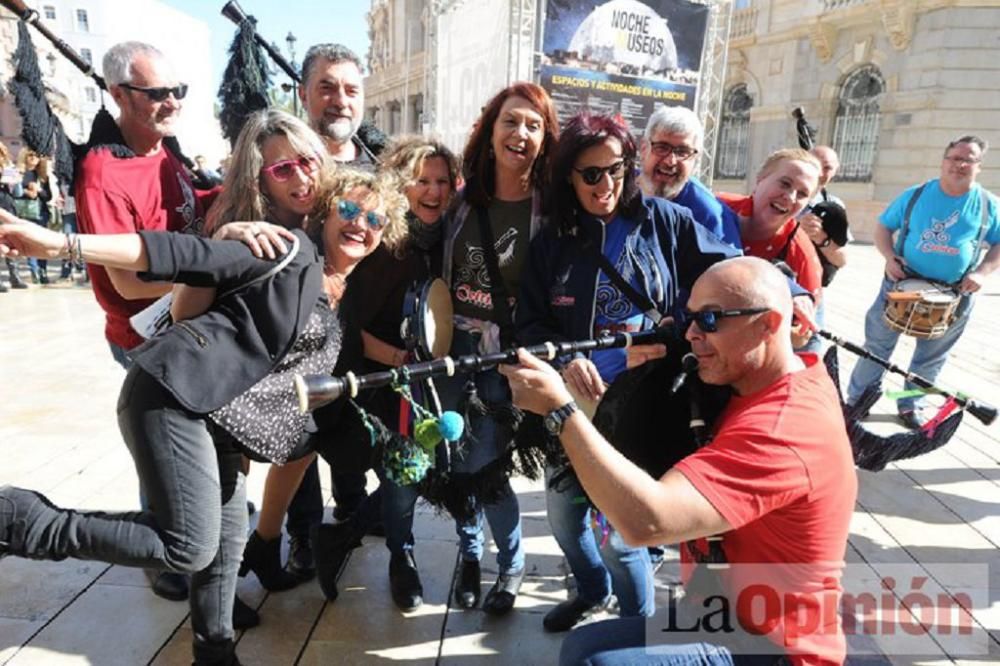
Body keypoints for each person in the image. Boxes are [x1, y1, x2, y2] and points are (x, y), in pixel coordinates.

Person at [0, 154, 404, 666]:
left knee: (227, 541)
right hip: (174, 394)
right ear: (323, 213)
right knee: (187, 546)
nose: (359, 224)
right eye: (349, 208)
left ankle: (215, 652)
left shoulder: (343, 292)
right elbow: (183, 253)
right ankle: (20, 519)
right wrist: (62, 243)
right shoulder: (289, 251)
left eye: (375, 219)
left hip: (217, 423)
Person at [500, 256, 858, 666]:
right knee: (582, 647)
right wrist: (641, 388)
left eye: (709, 320)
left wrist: (561, 412)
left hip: (775, 646)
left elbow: (647, 522)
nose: (690, 334)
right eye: (690, 318)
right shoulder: (766, 377)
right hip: (723, 613)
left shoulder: (785, 426)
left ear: (769, 324)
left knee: (596, 663)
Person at [516, 112, 739, 633]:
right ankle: (592, 590)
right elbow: (529, 321)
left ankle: (635, 627)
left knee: (623, 532)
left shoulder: (665, 220)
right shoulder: (552, 241)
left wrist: (671, 334)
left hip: (646, 404)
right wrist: (566, 358)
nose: (606, 184)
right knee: (565, 519)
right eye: (590, 174)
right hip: (577, 407)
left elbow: (730, 272)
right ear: (568, 178)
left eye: (615, 169)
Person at [73, 40, 208, 603]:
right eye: (157, 93)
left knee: (194, 445)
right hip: (143, 336)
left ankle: (194, 522)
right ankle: (164, 552)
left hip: (187, 320)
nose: (171, 102)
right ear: (119, 95)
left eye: (178, 90)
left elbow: (192, 209)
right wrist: (211, 268)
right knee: (166, 450)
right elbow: (129, 281)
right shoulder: (102, 173)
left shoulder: (165, 151)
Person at [440, 81, 559, 616]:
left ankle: (509, 564)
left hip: (503, 357)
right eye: (511, 121)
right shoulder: (461, 202)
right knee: (454, 464)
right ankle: (470, 556)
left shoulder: (551, 208)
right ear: (490, 132)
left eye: (534, 125)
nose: (521, 133)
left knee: (487, 469)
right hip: (447, 348)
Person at [347, 135, 460, 611]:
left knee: (453, 470)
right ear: (400, 184)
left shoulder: (456, 237)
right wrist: (399, 360)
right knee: (402, 478)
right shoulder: (384, 243)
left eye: (442, 181)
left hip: (446, 376)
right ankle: (402, 558)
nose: (432, 191)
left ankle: (470, 556)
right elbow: (346, 322)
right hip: (395, 385)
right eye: (421, 180)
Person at [288, 43, 386, 577]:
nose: (339, 100)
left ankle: (349, 509)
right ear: (305, 93)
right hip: (293, 333)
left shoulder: (377, 165)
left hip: (358, 335)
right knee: (295, 435)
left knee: (351, 426)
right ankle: (301, 532)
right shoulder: (286, 165)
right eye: (326, 87)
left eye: (350, 89)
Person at [847, 135, 1000, 429]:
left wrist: (982, 273)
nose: (960, 164)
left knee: (931, 357)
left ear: (979, 166)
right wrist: (889, 257)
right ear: (944, 161)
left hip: (955, 293)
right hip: (900, 285)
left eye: (968, 159)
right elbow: (883, 227)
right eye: (954, 157)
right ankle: (857, 401)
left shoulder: (988, 205)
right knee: (877, 347)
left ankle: (910, 404)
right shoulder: (915, 195)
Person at [717, 149, 823, 349]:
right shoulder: (716, 207)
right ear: (760, 179)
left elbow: (802, 336)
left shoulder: (801, 254)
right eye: (785, 183)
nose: (790, 197)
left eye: (802, 194)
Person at [638, 105, 740, 246]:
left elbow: (731, 267)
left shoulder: (709, 216)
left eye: (682, 152)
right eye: (662, 148)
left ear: (695, 160)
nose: (670, 161)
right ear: (644, 149)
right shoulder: (615, 189)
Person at [16, 150, 53, 284]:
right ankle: (34, 270)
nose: (33, 158)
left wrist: (39, 190)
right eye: (30, 155)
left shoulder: (42, 176)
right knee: (30, 242)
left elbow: (48, 196)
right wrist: (26, 191)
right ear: (25, 157)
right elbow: (14, 193)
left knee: (42, 243)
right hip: (25, 213)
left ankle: (43, 270)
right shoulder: (19, 174)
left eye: (36, 156)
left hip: (41, 213)